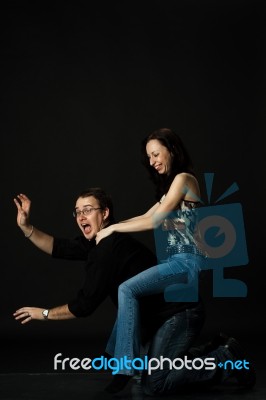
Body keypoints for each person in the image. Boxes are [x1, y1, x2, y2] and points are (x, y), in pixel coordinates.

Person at [96, 128, 256, 395]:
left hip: (187, 263)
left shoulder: (184, 179)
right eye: (148, 157)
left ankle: (122, 364)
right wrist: (110, 227)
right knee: (132, 293)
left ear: (172, 150)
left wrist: (112, 230)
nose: (152, 161)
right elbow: (146, 214)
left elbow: (155, 221)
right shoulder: (172, 187)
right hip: (175, 263)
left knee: (127, 289)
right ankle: (211, 352)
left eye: (156, 154)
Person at [13, 188, 212, 382]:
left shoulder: (107, 251)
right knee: (146, 371)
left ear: (105, 213)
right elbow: (60, 248)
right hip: (153, 320)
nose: (81, 217)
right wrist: (26, 227)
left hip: (179, 314)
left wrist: (44, 314)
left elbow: (84, 306)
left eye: (88, 210)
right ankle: (208, 353)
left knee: (155, 382)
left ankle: (224, 357)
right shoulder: (100, 241)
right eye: (78, 211)